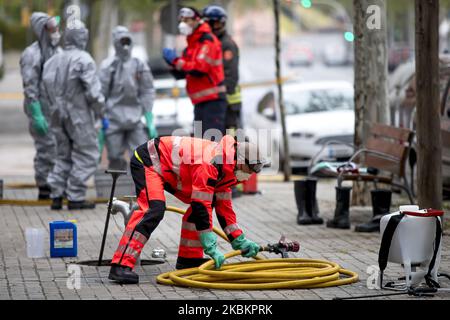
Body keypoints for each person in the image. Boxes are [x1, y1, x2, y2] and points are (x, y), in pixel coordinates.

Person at [109, 135, 264, 284]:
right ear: (241, 161)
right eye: (251, 169)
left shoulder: (228, 172)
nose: (250, 174)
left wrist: (239, 240)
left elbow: (225, 210)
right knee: (153, 209)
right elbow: (201, 205)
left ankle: (189, 259)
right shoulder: (211, 163)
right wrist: (210, 246)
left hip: (168, 168)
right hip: (149, 160)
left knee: (200, 211)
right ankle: (121, 265)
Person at [42, 22, 106, 210]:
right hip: (78, 115)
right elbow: (93, 93)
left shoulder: (53, 60)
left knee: (63, 154)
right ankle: (75, 196)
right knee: (87, 153)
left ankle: (56, 195)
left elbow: (45, 87)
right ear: (82, 38)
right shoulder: (84, 59)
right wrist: (101, 112)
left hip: (56, 114)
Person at [163, 7, 227, 139]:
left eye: (187, 20)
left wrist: (176, 61)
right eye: (181, 20)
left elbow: (199, 69)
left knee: (212, 143)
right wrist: (172, 64)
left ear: (197, 20)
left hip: (213, 101)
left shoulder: (207, 41)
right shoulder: (192, 44)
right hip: (199, 102)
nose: (183, 23)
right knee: (200, 144)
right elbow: (184, 73)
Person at [99, 26, 157, 171]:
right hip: (113, 119)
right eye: (121, 41)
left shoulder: (139, 65)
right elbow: (100, 94)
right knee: (114, 156)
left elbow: (147, 90)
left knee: (141, 156)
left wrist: (148, 116)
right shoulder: (108, 66)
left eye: (127, 40)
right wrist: (101, 117)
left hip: (135, 119)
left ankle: (139, 188)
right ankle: (117, 187)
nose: (124, 45)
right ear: (115, 43)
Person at [20, 12, 61, 200]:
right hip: (41, 112)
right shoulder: (32, 55)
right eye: (52, 28)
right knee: (46, 149)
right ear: (42, 30)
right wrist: (36, 113)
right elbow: (30, 87)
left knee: (59, 149)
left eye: (56, 28)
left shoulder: (58, 53)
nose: (56, 32)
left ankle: (55, 185)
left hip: (56, 112)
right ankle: (44, 188)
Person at [203, 5, 242, 132]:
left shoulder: (226, 44)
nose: (214, 27)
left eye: (217, 24)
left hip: (228, 103)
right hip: (215, 103)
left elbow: (231, 76)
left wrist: (220, 96)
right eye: (211, 24)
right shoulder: (209, 44)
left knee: (230, 141)